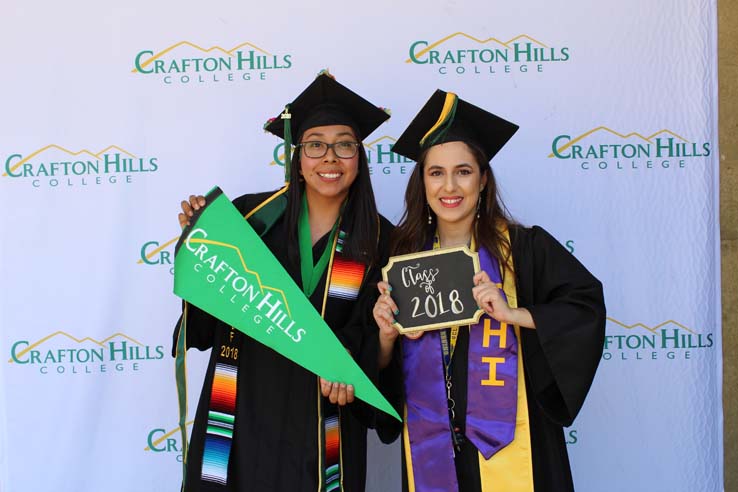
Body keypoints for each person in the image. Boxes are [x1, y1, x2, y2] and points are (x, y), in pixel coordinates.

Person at [372, 90, 606, 491]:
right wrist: (386, 336)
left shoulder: (524, 248)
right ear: (422, 182)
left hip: (518, 447)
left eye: (463, 171)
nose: (450, 186)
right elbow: (383, 370)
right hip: (433, 448)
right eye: (436, 172)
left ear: (483, 179)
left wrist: (515, 314)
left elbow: (585, 307)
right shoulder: (401, 260)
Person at [173, 72, 394, 492]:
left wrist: (352, 359)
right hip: (240, 405)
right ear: (297, 155)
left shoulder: (381, 240)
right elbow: (207, 309)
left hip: (322, 418)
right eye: (315, 144)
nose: (330, 158)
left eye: (345, 144)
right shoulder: (250, 220)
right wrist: (199, 245)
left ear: (359, 156)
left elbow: (379, 336)